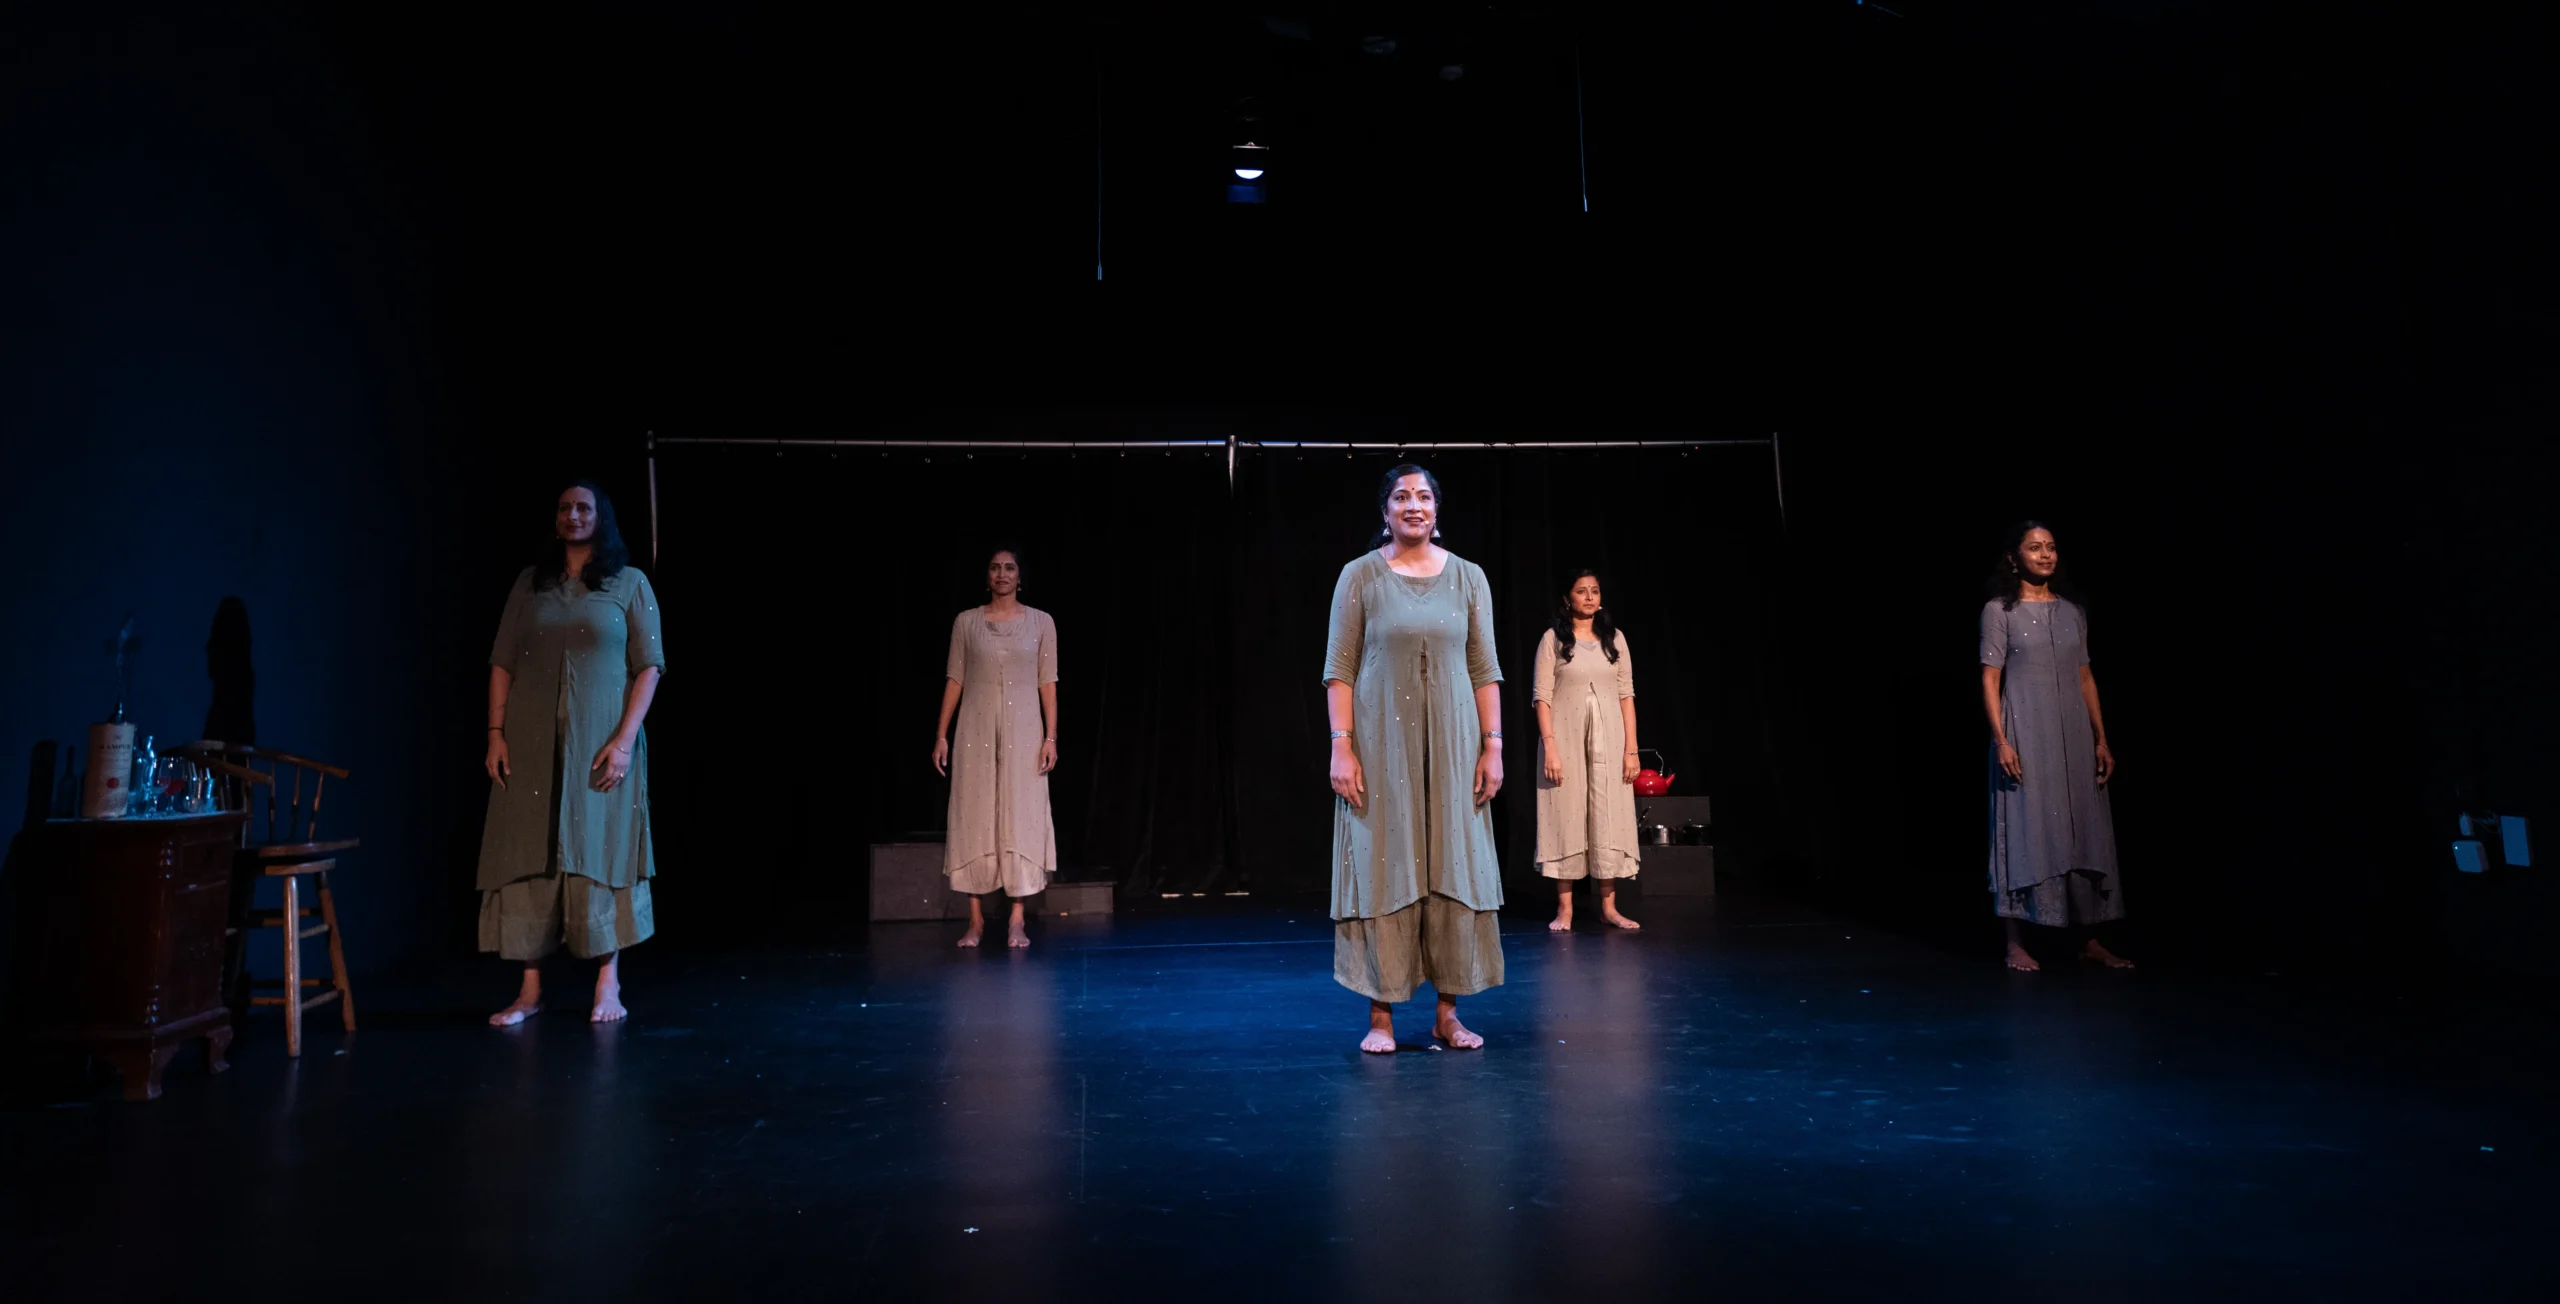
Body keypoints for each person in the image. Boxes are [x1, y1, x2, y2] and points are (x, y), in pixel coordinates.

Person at [1324, 464, 1506, 1053]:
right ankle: (1381, 1017)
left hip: (1455, 748)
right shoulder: (1360, 576)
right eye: (1401, 497)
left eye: (1424, 496)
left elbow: (1484, 668)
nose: (1414, 505)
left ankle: (1447, 1015)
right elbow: (1339, 669)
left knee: (1453, 865)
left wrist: (1494, 745)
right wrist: (1342, 745)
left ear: (1436, 509)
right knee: (1386, 864)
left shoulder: (1470, 577)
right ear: (1385, 511)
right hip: (1381, 748)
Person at [479, 481, 665, 1025]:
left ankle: (608, 983)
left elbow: (650, 667)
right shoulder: (530, 584)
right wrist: (495, 733)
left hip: (602, 746)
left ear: (600, 518)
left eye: (584, 508)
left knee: (601, 852)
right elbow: (502, 662)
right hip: (531, 745)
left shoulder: (629, 583)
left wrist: (625, 742)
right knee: (527, 853)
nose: (573, 515)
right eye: (565, 508)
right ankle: (529, 991)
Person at [1980, 520, 2133, 972]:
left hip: (2074, 734)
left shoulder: (2072, 612)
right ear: (2014, 558)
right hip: (2025, 732)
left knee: (2084, 828)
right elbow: (1990, 677)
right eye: (2034, 547)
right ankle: (2015, 942)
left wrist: (2101, 739)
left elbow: (2085, 677)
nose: (2045, 554)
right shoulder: (1999, 611)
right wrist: (2001, 740)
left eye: (2050, 547)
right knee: (2023, 826)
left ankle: (2091, 939)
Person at [934, 548, 1059, 949]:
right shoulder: (966, 622)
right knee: (975, 814)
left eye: (1009, 568)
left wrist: (1051, 737)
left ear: (1020, 577)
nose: (1002, 574)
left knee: (1021, 815)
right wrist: (941, 734)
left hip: (1024, 734)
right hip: (976, 731)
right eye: (994, 568)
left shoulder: (1042, 622)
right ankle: (975, 920)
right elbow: (955, 678)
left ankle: (1017, 919)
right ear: (987, 576)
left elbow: (1047, 682)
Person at [1533, 570, 1642, 931]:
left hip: (1610, 743)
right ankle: (1565, 908)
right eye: (1581, 591)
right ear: (1568, 599)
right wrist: (1550, 746)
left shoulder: (1615, 639)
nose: (1590, 597)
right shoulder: (1553, 640)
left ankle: (1609, 907)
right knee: (1565, 815)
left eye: (1595, 591)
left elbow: (1626, 695)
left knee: (1606, 815)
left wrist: (1631, 749)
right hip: (1565, 740)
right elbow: (1542, 697)